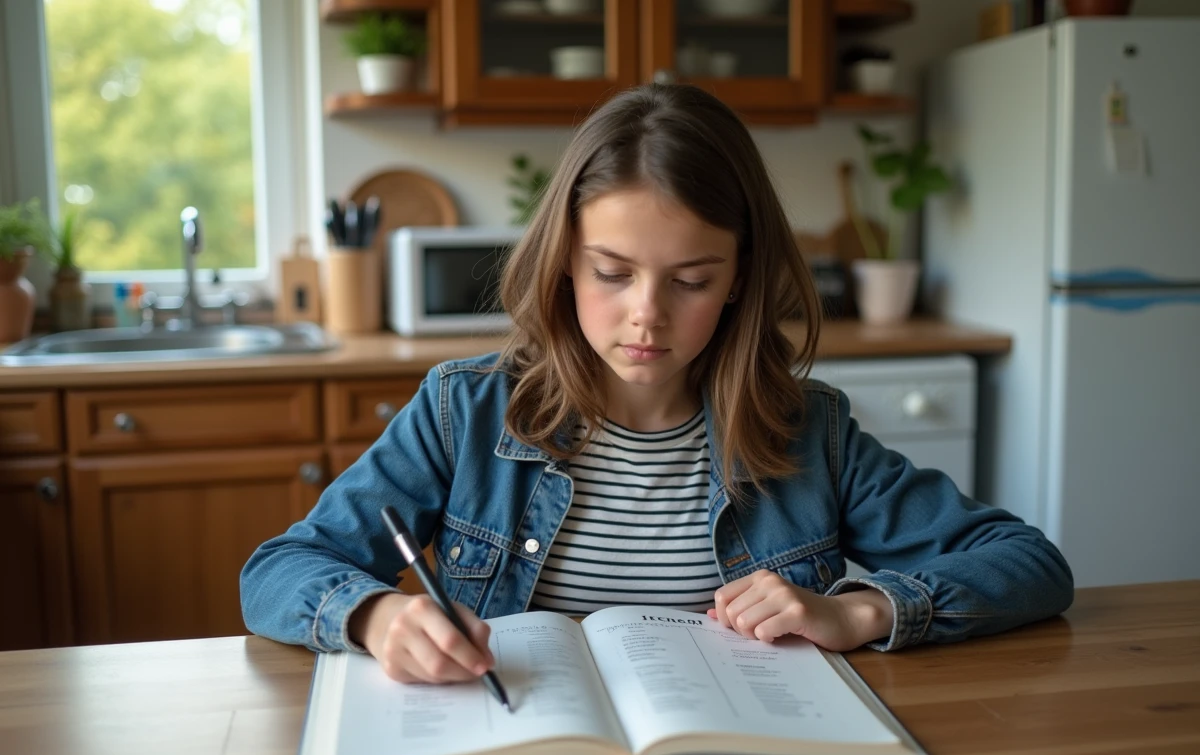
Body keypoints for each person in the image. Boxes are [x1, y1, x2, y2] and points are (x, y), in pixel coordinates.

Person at [240, 84, 1073, 686]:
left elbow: (1030, 563)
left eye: (692, 280)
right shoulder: (466, 411)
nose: (646, 316)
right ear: (565, 261)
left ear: (742, 278)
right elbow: (279, 568)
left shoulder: (808, 433)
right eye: (612, 272)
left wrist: (858, 613)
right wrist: (376, 617)